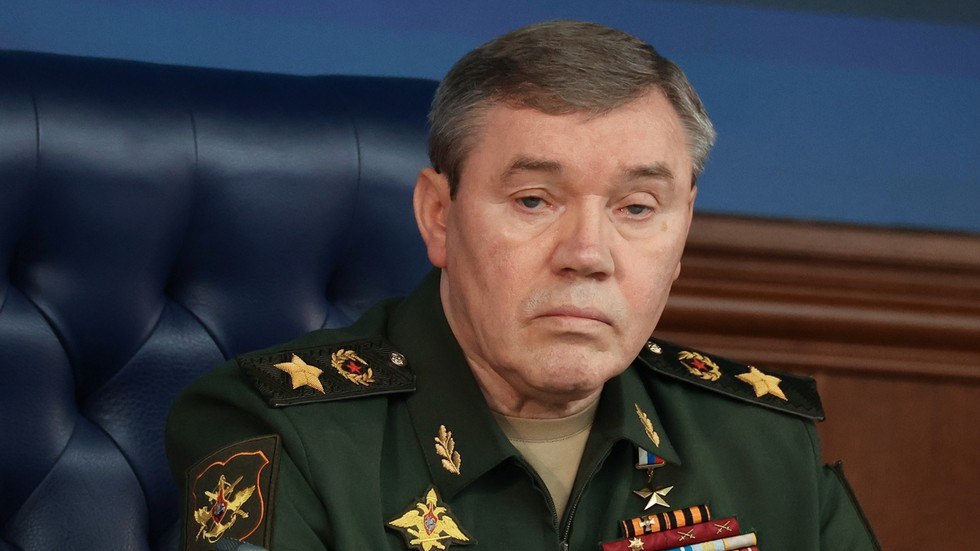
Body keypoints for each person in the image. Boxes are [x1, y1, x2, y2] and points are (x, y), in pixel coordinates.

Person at [166, 20, 880, 550]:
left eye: (637, 208)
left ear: (683, 230)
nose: (588, 255)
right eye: (534, 200)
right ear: (439, 215)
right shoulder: (283, 433)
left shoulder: (764, 444)